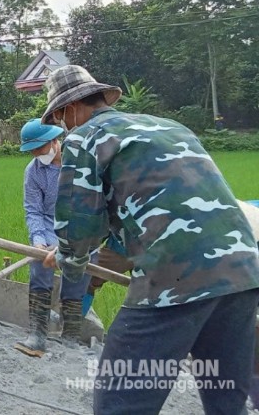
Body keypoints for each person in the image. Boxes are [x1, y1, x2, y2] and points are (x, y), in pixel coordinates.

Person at [41, 65, 259, 414]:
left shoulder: (85, 137)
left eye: (58, 117)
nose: (62, 125)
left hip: (176, 274)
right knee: (226, 400)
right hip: (243, 270)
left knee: (120, 400)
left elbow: (80, 218)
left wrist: (68, 259)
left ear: (69, 108)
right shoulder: (172, 127)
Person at [13, 118, 90, 357]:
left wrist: (69, 244)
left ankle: (71, 336)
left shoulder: (79, 164)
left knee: (77, 274)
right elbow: (33, 209)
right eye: (32, 150)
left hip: (79, 225)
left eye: (40, 148)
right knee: (39, 268)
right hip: (48, 224)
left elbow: (90, 205)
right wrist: (38, 240)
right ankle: (37, 334)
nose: (37, 153)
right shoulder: (33, 171)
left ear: (55, 141)